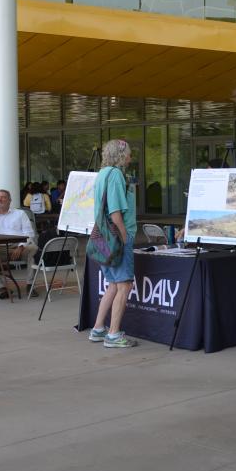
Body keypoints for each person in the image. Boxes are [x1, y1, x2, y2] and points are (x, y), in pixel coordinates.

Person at [87, 139, 139, 349]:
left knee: (113, 285)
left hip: (104, 239)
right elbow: (115, 212)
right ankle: (113, 334)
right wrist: (125, 237)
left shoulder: (102, 174)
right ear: (120, 155)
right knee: (125, 284)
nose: (130, 156)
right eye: (128, 152)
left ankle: (98, 329)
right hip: (117, 237)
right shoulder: (116, 175)